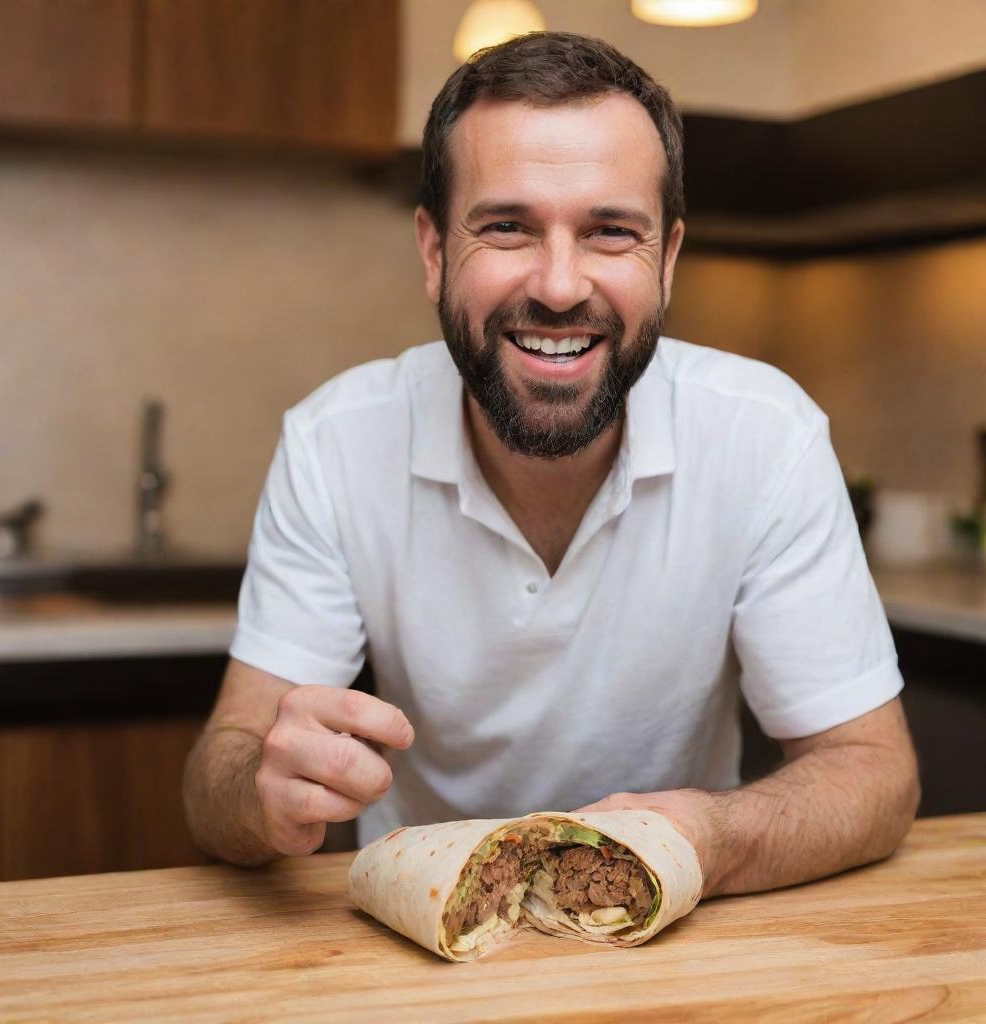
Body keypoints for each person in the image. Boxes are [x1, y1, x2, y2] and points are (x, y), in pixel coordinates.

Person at [183, 32, 919, 899]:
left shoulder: (767, 435)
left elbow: (874, 773)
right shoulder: (334, 441)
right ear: (433, 253)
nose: (561, 286)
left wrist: (710, 837)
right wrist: (259, 793)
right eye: (507, 227)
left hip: (678, 934)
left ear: (668, 259)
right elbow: (218, 777)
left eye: (611, 231)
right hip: (417, 945)